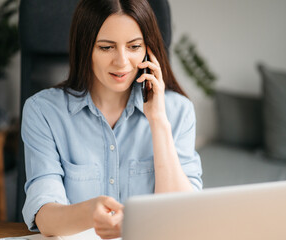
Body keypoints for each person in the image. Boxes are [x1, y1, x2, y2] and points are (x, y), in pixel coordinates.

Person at [21, 0, 203, 238]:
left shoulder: (178, 111)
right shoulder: (42, 112)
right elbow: (44, 217)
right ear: (86, 48)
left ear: (148, 49)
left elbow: (183, 217)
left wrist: (158, 121)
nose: (122, 62)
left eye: (134, 46)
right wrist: (90, 213)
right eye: (107, 47)